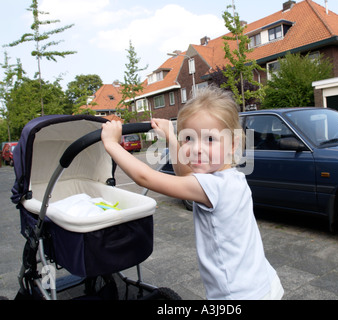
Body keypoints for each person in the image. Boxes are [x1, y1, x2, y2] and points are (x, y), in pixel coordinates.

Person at [101, 86, 284, 300]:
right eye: (188, 138)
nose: (197, 148)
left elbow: (146, 178)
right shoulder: (232, 177)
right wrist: (170, 137)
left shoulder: (215, 186)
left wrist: (112, 144)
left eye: (209, 139)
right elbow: (185, 175)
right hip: (262, 284)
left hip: (237, 295)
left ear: (233, 144)